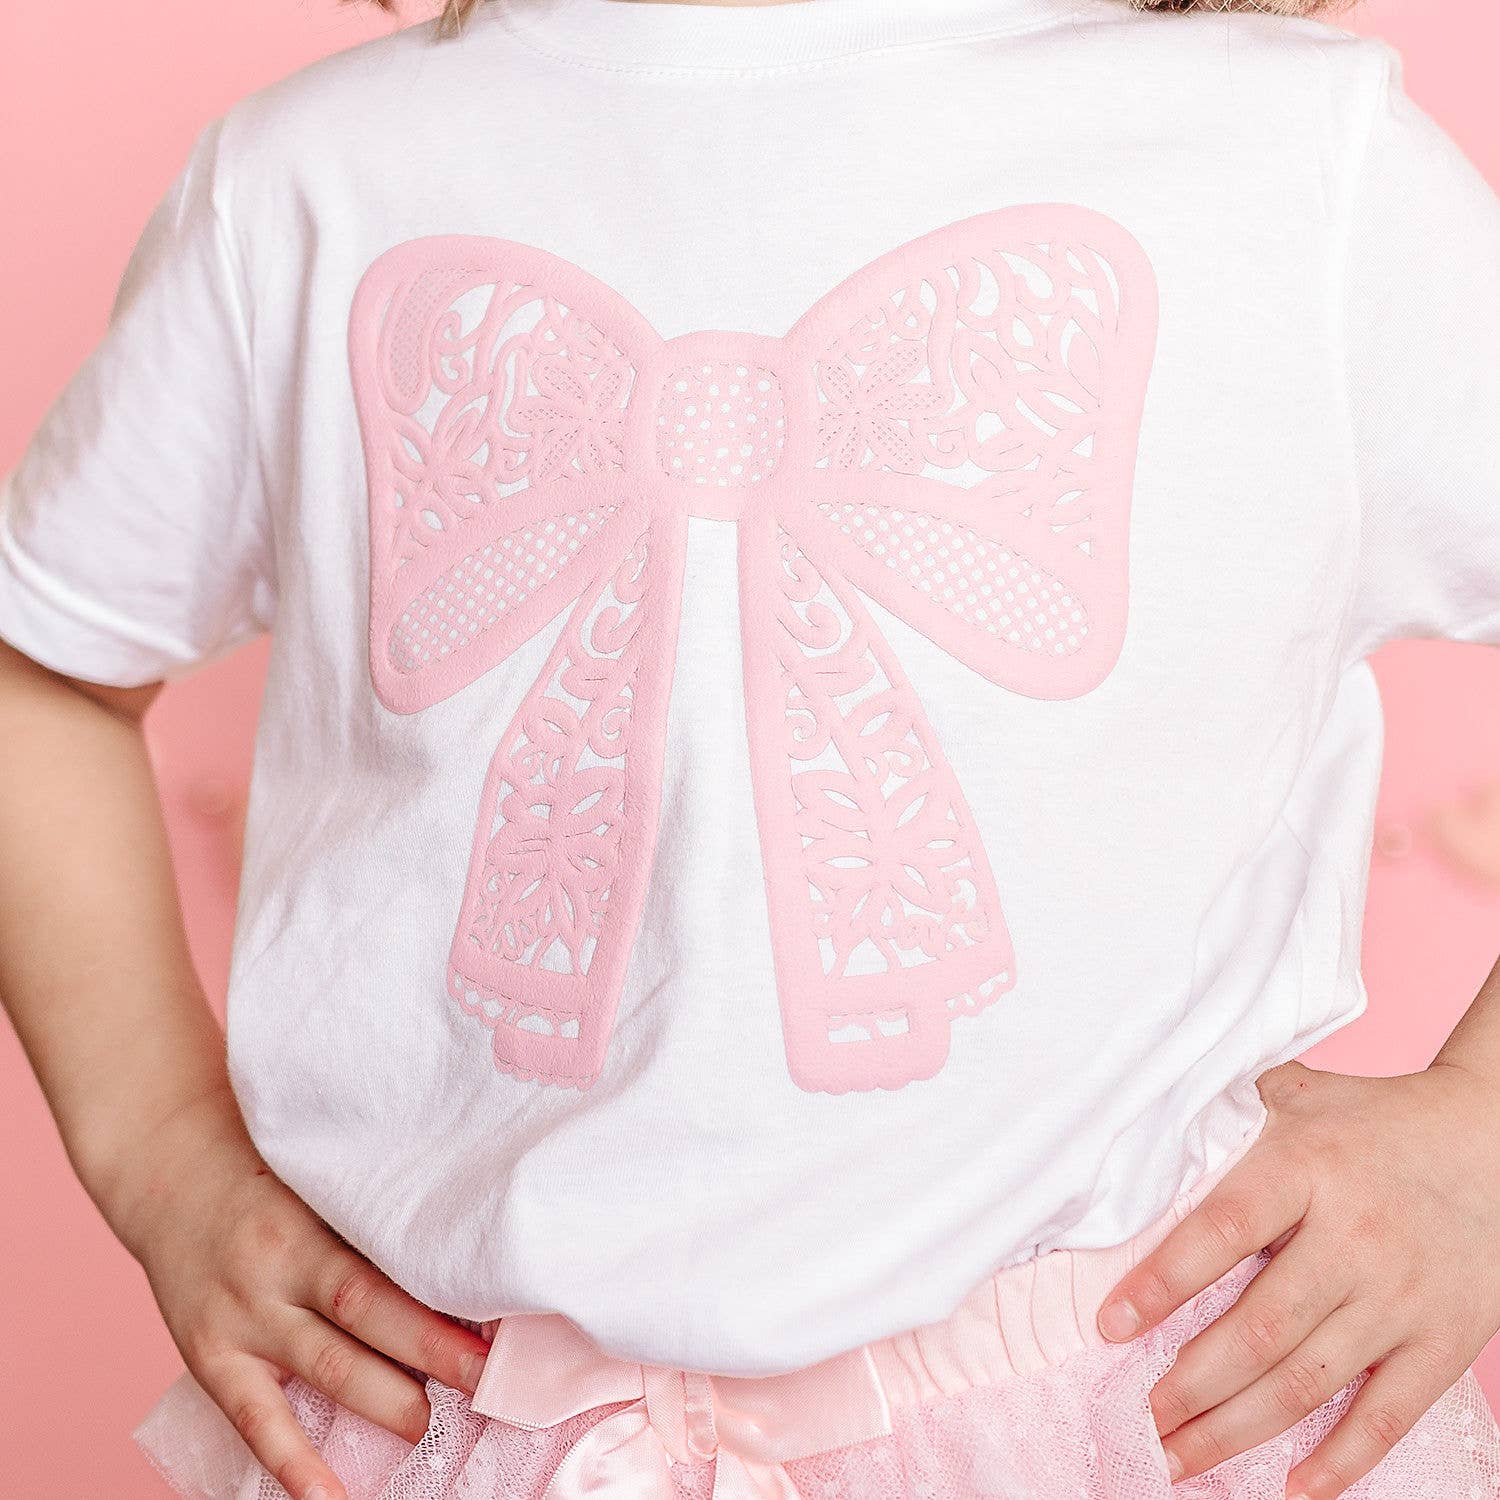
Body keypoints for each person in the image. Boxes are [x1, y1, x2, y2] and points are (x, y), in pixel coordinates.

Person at [3, 0, 1499, 1496]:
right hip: (447, 1421)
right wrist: (161, 1157)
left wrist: (1481, 1134)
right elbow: (40, 672)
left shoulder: (1299, 165)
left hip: (1147, 1413)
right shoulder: (310, 179)